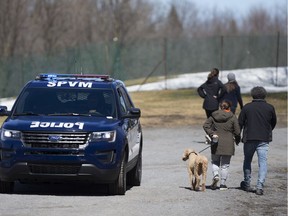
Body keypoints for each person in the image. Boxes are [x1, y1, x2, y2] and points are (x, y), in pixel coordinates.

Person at [238, 86, 277, 196]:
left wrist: (237, 136)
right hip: (263, 139)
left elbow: (239, 123)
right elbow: (273, 122)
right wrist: (267, 130)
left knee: (247, 161)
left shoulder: (247, 107)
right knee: (263, 162)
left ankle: (247, 183)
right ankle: (260, 186)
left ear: (252, 95)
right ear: (265, 95)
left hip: (249, 138)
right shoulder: (270, 107)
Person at [203, 100, 241, 190]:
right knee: (225, 164)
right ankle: (223, 184)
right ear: (229, 107)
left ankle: (216, 175)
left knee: (215, 161)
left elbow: (205, 125)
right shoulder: (232, 116)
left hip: (216, 141)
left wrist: (211, 134)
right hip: (228, 143)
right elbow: (237, 132)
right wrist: (237, 140)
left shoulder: (213, 115)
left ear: (220, 106)